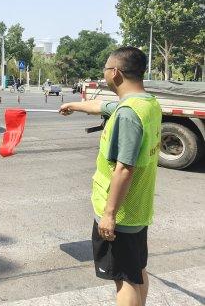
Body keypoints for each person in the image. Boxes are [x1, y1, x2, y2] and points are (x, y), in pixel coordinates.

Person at [59, 46, 161, 306]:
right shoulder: (146, 103)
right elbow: (102, 106)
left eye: (105, 69)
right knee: (136, 272)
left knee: (123, 279)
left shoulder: (127, 114)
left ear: (115, 73)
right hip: (137, 209)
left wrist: (109, 214)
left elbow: (125, 168)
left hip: (121, 214)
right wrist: (74, 105)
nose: (104, 74)